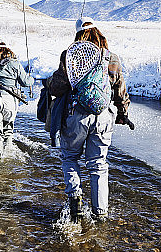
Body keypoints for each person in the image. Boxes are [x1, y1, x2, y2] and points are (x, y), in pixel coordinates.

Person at [47, 18, 132, 222]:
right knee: (98, 164)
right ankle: (100, 212)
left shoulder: (69, 56)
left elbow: (57, 87)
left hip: (76, 115)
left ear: (78, 35)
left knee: (70, 157)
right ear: (99, 33)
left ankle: (75, 197)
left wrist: (49, 82)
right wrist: (122, 114)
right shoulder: (112, 58)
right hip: (103, 117)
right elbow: (120, 90)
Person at [0, 39, 34, 160]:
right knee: (8, 130)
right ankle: (10, 156)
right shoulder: (15, 63)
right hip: (10, 99)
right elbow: (26, 82)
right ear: (9, 49)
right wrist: (31, 77)